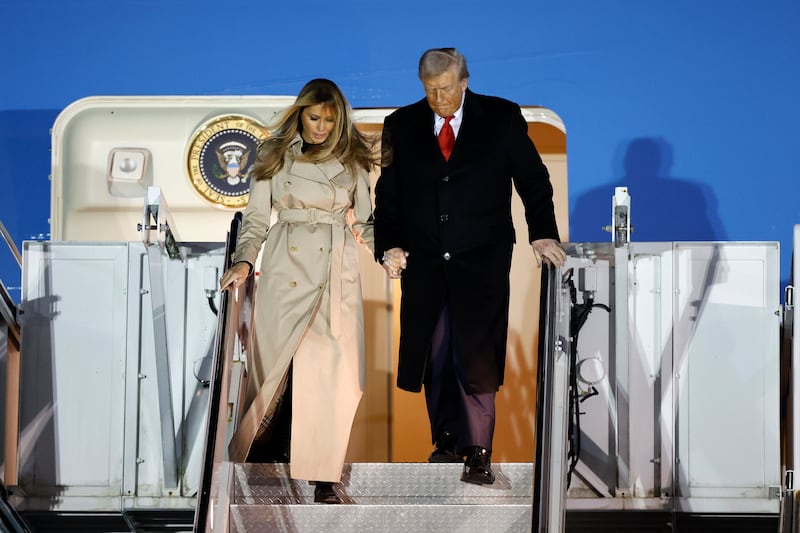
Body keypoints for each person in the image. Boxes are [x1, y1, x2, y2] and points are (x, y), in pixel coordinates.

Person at [373, 48, 567, 485]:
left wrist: (542, 232)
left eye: (444, 89)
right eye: (429, 91)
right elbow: (389, 195)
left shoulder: (500, 117)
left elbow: (533, 179)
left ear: (463, 81)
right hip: (425, 263)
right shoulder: (400, 126)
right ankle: (446, 442)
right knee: (436, 354)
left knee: (476, 357)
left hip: (481, 260)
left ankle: (478, 450)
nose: (437, 99)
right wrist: (390, 246)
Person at [219, 78, 379, 504]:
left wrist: (388, 254)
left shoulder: (352, 161)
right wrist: (243, 261)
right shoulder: (274, 155)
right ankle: (264, 457)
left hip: (334, 273)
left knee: (335, 376)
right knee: (278, 372)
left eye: (329, 119)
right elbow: (255, 220)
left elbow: (365, 223)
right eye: (314, 117)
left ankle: (324, 477)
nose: (321, 127)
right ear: (300, 114)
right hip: (285, 271)